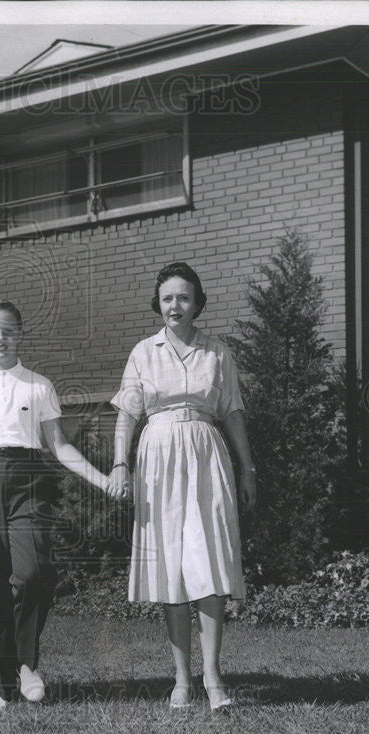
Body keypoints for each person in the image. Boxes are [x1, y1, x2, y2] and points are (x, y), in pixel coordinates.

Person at [0, 300, 109, 713]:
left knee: (33, 573)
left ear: (20, 334)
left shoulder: (38, 386)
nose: (1, 338)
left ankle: (26, 662)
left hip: (28, 479)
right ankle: (2, 685)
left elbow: (59, 445)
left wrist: (102, 480)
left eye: (9, 330)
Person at [106, 262, 256, 711]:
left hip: (207, 455)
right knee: (172, 566)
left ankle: (212, 676)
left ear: (197, 303)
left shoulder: (217, 352)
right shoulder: (143, 352)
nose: (176, 305)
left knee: (209, 563)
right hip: (158, 458)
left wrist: (248, 468)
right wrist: (119, 463)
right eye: (168, 298)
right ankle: (181, 680)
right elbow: (127, 415)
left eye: (184, 297)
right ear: (159, 303)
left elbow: (232, 411)